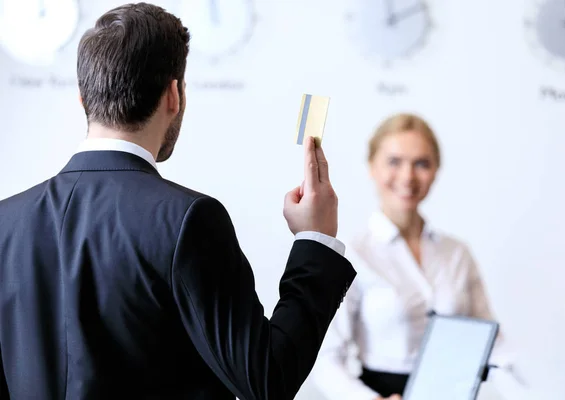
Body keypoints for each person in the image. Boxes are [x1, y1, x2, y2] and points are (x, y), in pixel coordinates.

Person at [0, 3, 356, 399]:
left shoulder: (5, 221)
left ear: (83, 99)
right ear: (174, 94)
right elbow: (266, 379)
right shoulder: (188, 219)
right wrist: (315, 239)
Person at [311, 113, 513, 400]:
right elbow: (327, 358)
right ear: (372, 166)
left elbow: (492, 342)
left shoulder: (457, 253)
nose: (408, 176)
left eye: (421, 163)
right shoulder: (352, 254)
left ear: (436, 170)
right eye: (394, 161)